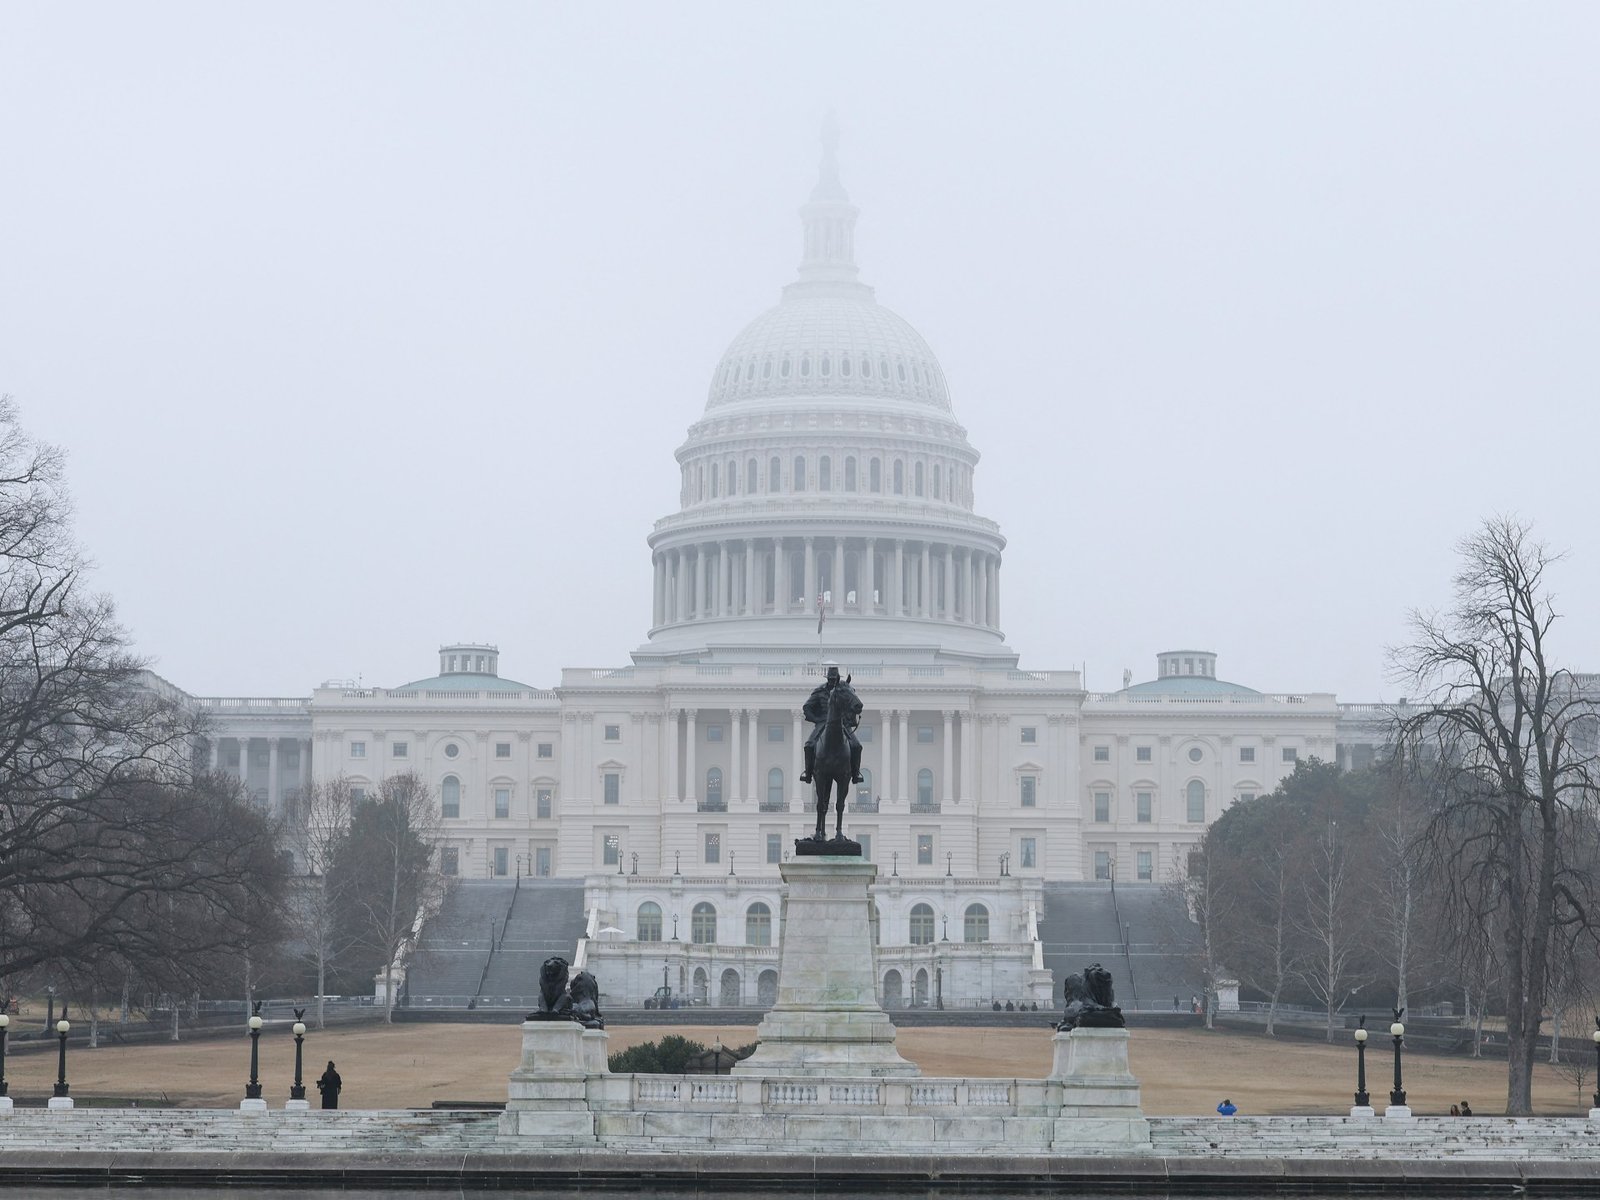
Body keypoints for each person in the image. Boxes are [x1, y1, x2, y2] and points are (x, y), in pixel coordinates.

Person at [798, 664, 862, 785]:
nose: (832, 681)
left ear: (837, 678)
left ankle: (855, 773)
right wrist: (816, 719)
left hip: (843, 723)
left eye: (834, 679)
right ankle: (808, 772)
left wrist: (850, 717)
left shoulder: (844, 690)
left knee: (857, 746)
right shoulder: (820, 691)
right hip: (822, 722)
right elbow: (807, 707)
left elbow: (852, 705)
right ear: (827, 679)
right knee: (809, 745)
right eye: (830, 679)